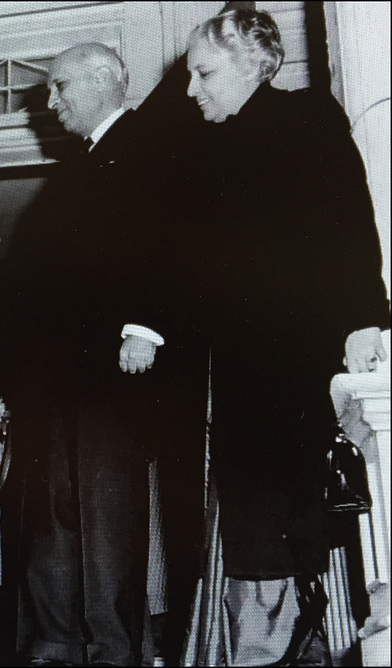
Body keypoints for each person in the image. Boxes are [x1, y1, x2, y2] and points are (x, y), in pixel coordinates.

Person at [183, 9, 389, 666]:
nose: (192, 89)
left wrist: (364, 320)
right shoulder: (206, 152)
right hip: (240, 370)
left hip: (302, 361)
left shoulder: (309, 119)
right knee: (253, 515)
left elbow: (350, 223)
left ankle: (313, 644)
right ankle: (267, 648)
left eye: (203, 72)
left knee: (308, 509)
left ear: (251, 61)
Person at [0, 43, 207, 666]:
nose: (51, 101)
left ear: (103, 80)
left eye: (60, 87)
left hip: (117, 367)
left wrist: (147, 325)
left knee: (107, 515)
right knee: (55, 510)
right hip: (60, 374)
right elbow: (39, 275)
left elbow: (176, 237)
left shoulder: (153, 142)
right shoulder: (75, 170)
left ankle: (115, 651)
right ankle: (55, 643)